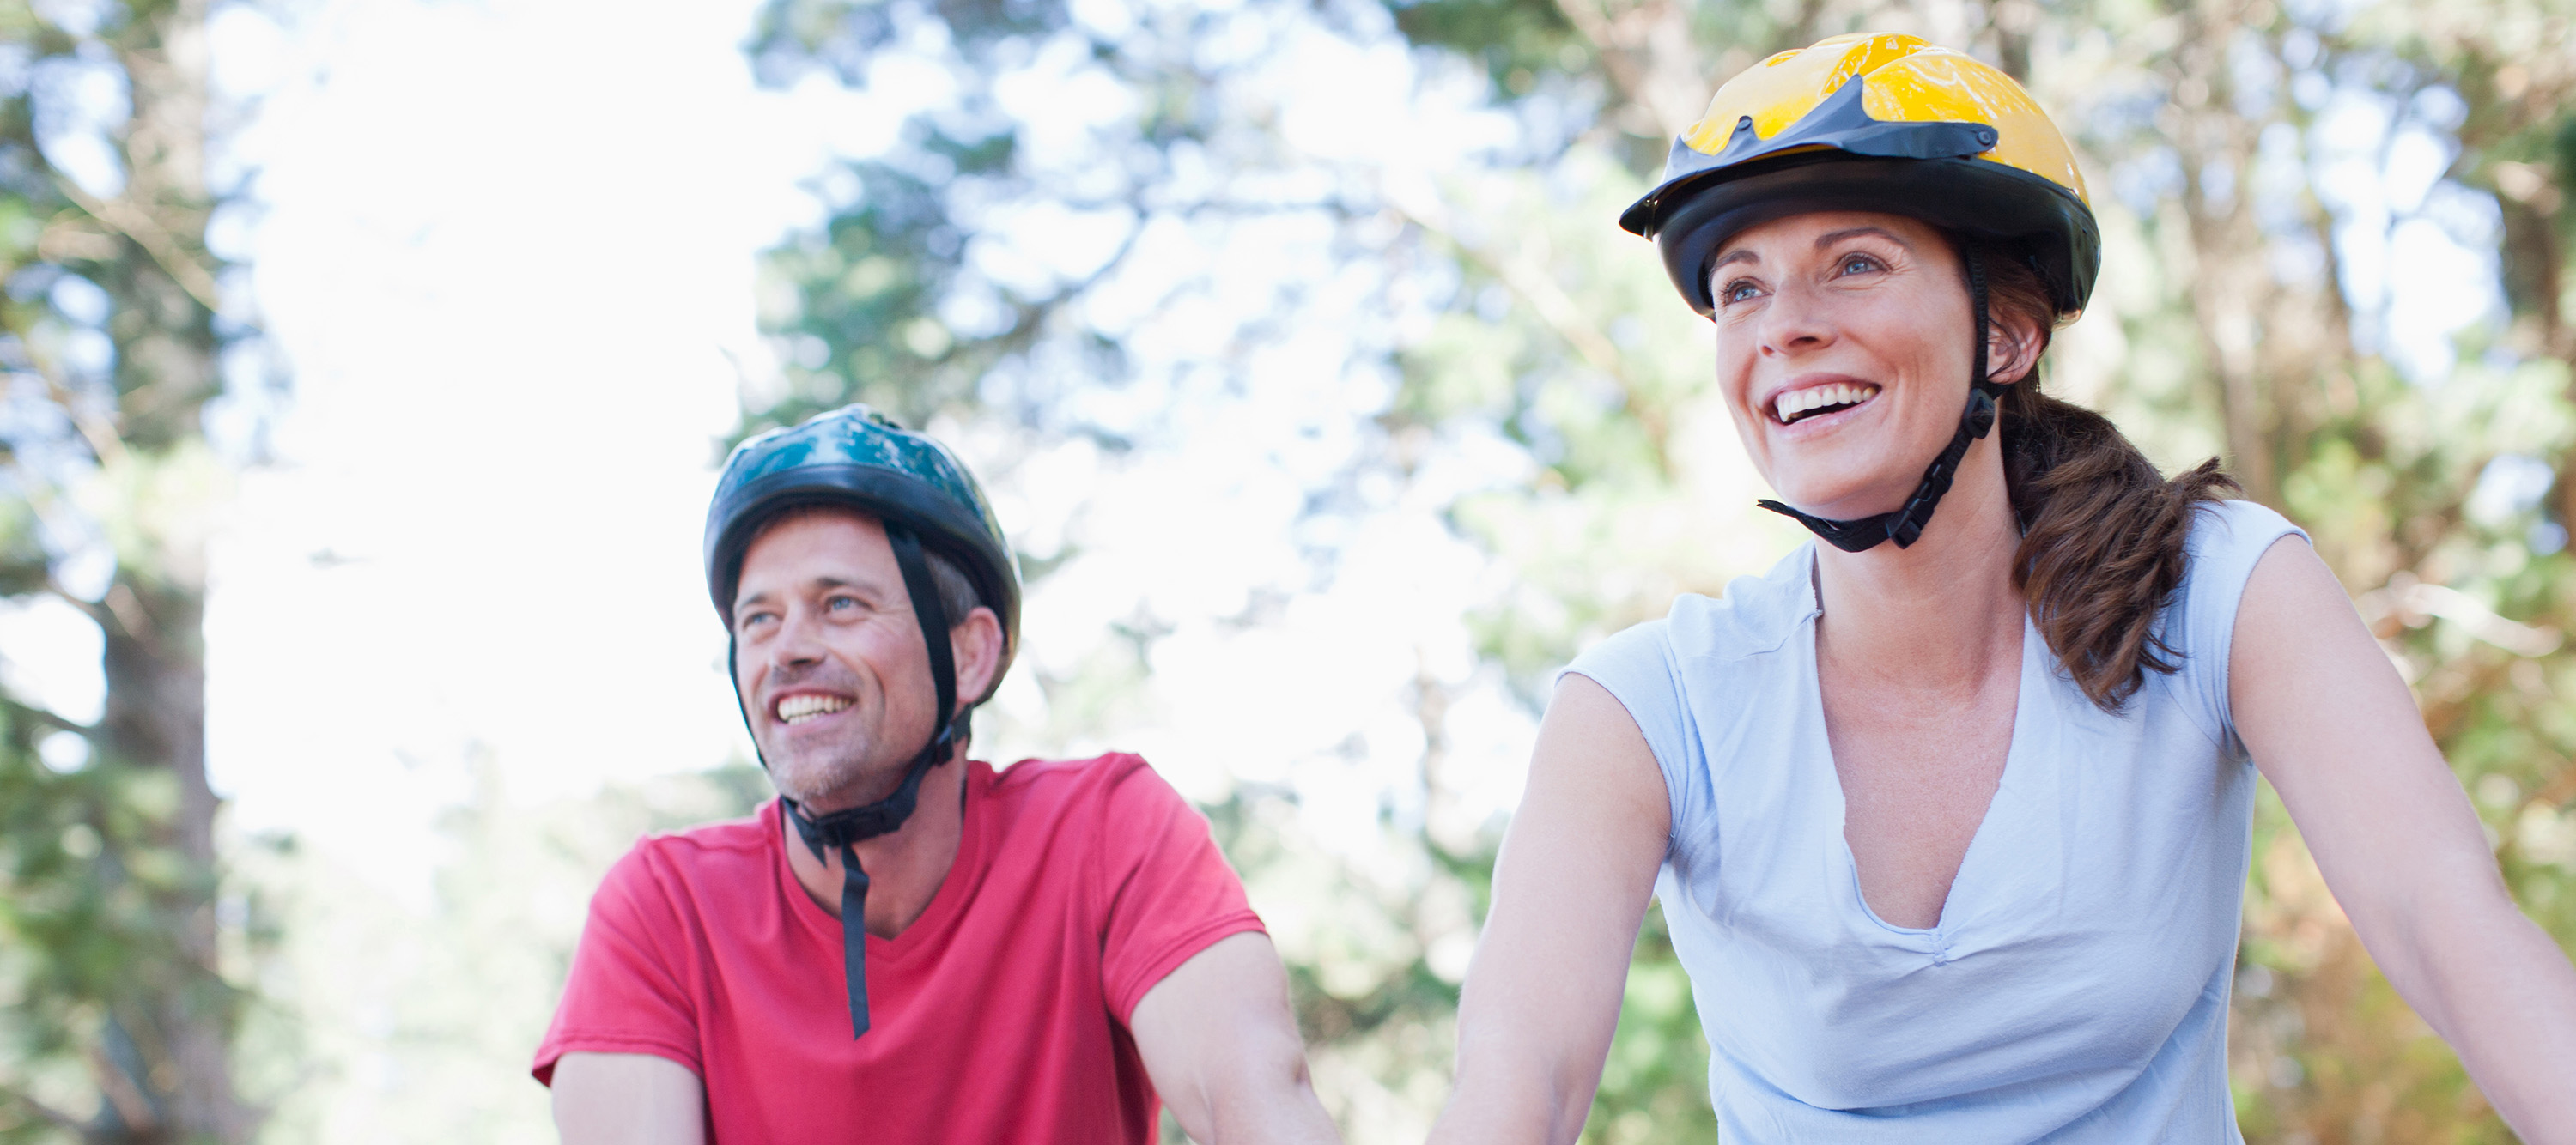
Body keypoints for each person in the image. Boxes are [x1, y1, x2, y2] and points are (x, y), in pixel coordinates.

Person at [1428, 33, 2576, 1143]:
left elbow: (2446, 923)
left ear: (2008, 336)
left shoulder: (2219, 587)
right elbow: (1518, 1077)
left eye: (1856, 264)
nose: (1786, 327)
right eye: (1741, 289)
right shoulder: (1648, 703)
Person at [532, 405, 1343, 1143]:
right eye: (760, 618)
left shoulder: (1104, 831)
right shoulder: (665, 908)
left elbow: (1252, 1100)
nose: (788, 649)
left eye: (841, 603)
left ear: (967, 653)